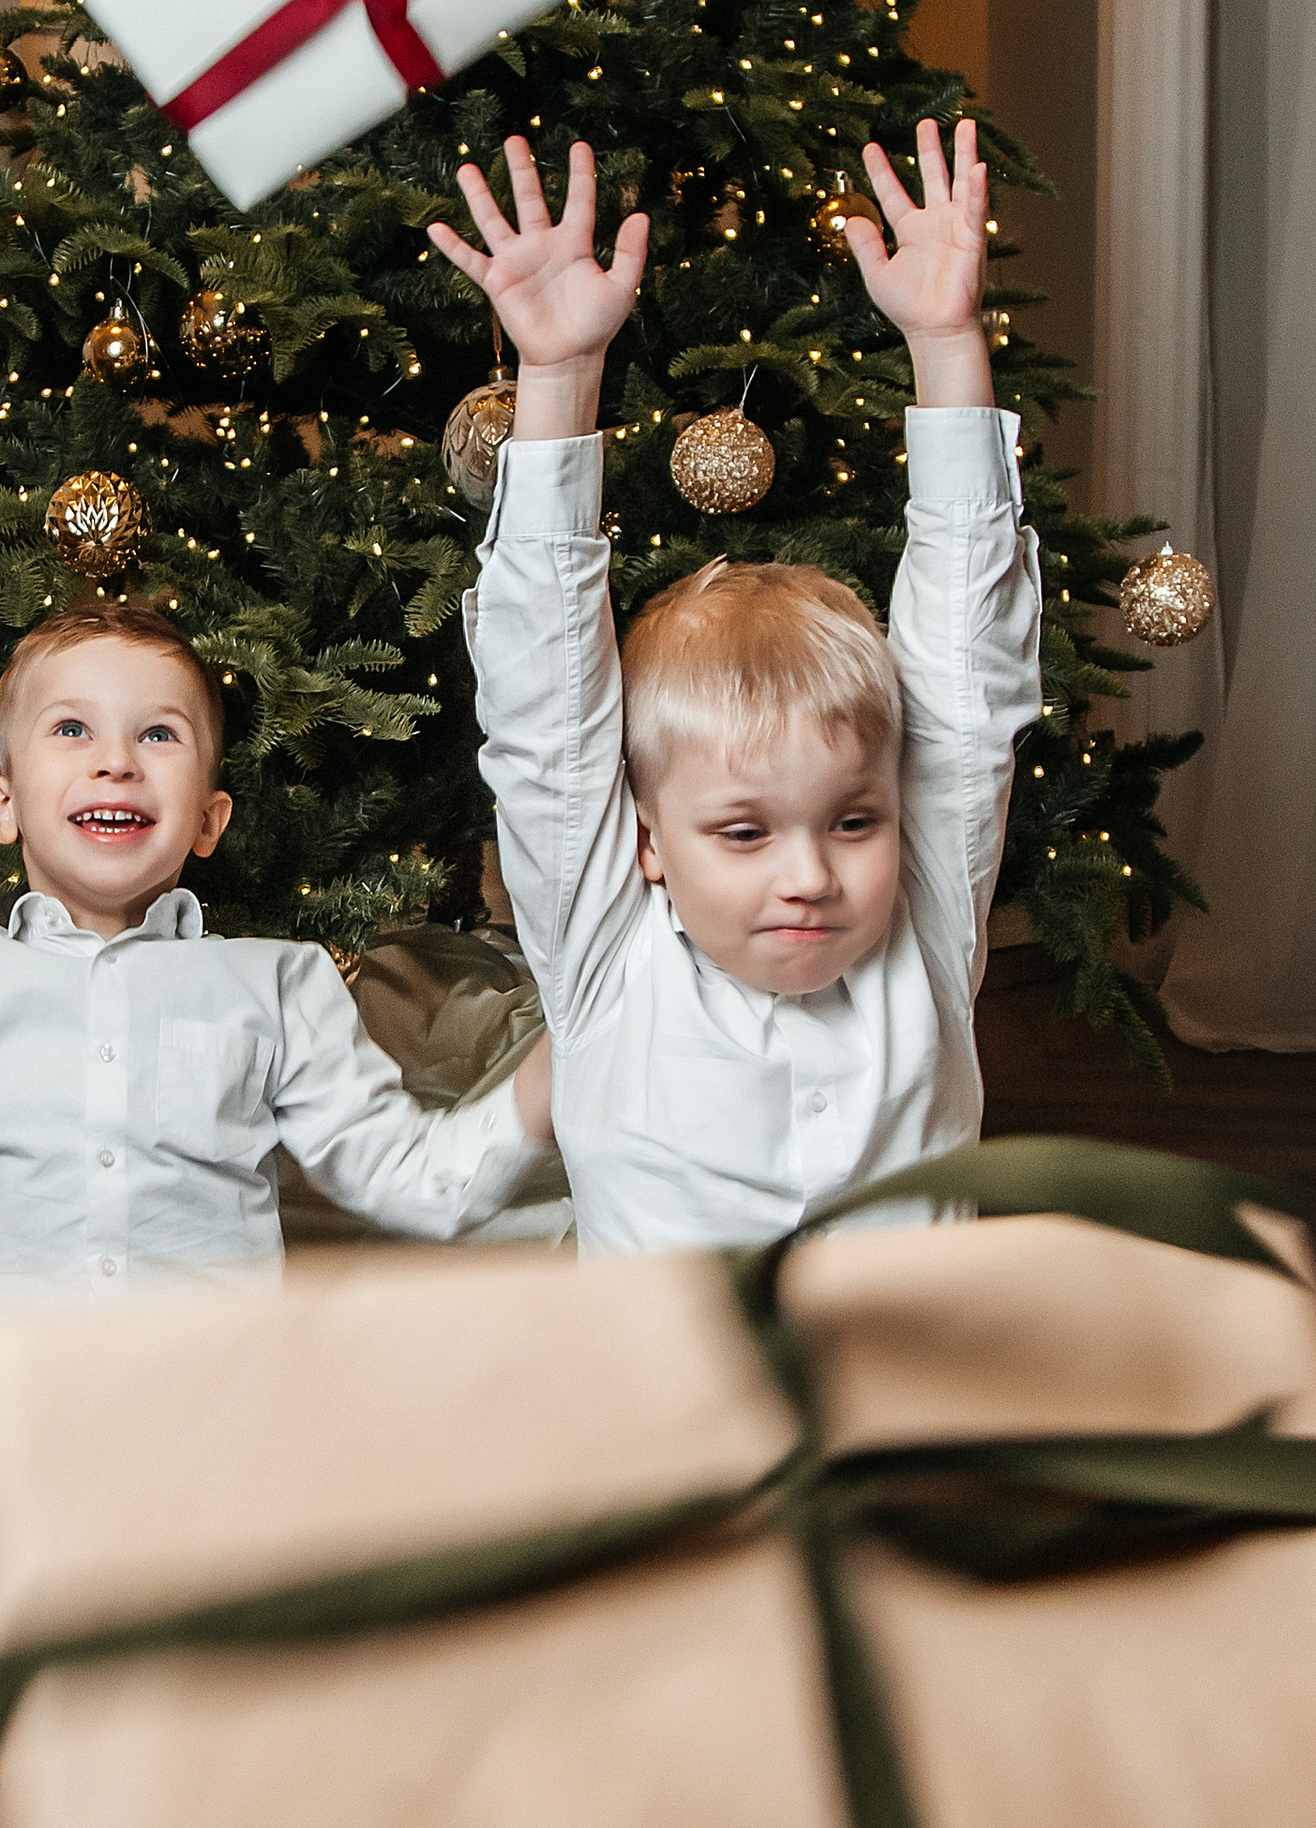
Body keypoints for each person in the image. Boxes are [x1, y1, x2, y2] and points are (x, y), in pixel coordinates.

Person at [0, 599, 554, 1827]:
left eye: (158, 735)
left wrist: (539, 1094)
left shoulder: (276, 985)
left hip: (215, 1427)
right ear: (2, 802)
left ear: (209, 816)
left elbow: (408, 1179)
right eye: (71, 729)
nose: (114, 759)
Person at [429, 118, 1041, 1259]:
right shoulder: (606, 955)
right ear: (648, 839)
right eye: (744, 832)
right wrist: (558, 376)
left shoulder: (926, 931)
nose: (809, 875)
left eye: (853, 821)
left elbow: (970, 687)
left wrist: (947, 343)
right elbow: (543, 722)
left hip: (892, 1420)